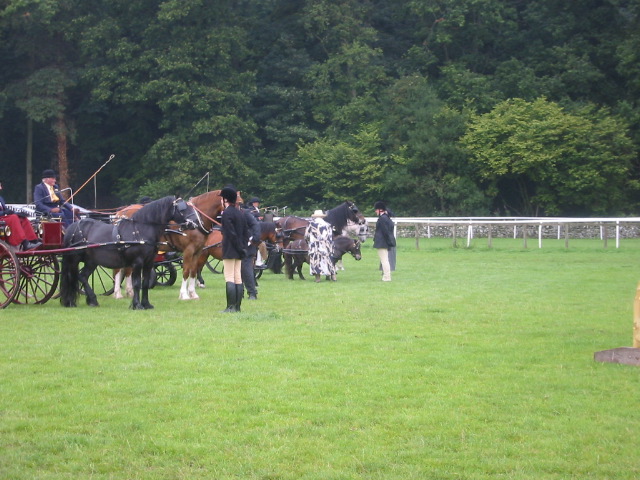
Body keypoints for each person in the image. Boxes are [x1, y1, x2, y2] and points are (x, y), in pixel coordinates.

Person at [219, 186, 248, 312]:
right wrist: (242, 248)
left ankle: (230, 307)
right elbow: (245, 232)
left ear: (225, 200)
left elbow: (230, 234)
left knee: (229, 276)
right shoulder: (240, 213)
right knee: (238, 277)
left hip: (230, 248)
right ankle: (237, 307)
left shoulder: (227, 213)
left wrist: (238, 247)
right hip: (239, 248)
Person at [0, 180, 42, 251]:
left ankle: (33, 240)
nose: (1, 188)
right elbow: (4, 212)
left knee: (22, 218)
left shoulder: (1, 198)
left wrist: (15, 212)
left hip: (3, 219)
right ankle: (24, 243)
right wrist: (5, 213)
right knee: (13, 218)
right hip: (1, 219)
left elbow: (6, 210)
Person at [304, 209, 336, 282]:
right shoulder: (328, 225)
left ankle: (318, 278)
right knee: (329, 261)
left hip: (315, 246)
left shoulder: (311, 224)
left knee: (316, 261)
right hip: (327, 246)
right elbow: (331, 236)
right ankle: (333, 277)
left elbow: (306, 235)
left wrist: (308, 241)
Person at [241, 206, 262, 300]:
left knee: (246, 269)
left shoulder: (245, 213)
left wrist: (254, 239)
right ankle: (240, 292)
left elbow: (255, 225)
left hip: (247, 245)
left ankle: (252, 292)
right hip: (237, 245)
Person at [373, 201, 396, 282]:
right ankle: (387, 276)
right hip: (384, 241)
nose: (375, 211)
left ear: (380, 210)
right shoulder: (386, 218)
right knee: (385, 259)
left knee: (384, 260)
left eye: (376, 210)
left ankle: (387, 277)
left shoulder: (383, 218)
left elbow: (385, 231)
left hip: (382, 242)